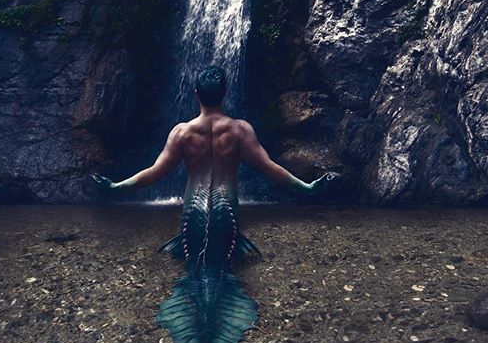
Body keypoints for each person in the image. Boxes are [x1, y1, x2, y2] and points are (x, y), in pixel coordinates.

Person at [91, 65, 339, 266]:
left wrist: (116, 187)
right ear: (225, 93)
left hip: (192, 215)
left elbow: (154, 173)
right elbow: (269, 167)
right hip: (227, 215)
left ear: (196, 94)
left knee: (194, 269)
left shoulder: (182, 133)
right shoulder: (240, 130)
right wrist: (307, 187)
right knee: (223, 269)